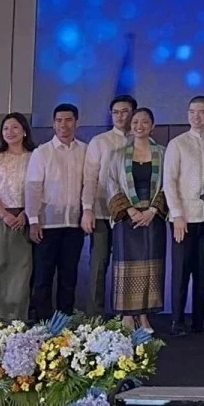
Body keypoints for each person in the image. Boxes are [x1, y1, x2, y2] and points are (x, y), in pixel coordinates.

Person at [164, 95, 204, 336]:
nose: (196, 116)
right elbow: (169, 182)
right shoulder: (177, 144)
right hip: (183, 219)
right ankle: (177, 321)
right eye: (192, 112)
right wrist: (177, 215)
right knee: (181, 271)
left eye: (201, 112)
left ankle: (200, 321)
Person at [105, 107, 167, 332]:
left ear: (153, 125)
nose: (139, 126)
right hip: (128, 219)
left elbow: (169, 184)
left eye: (144, 122)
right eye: (135, 122)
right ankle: (127, 315)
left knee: (151, 265)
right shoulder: (118, 154)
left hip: (152, 217)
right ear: (130, 126)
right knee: (126, 265)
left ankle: (144, 316)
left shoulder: (163, 152)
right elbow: (111, 184)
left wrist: (152, 211)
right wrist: (130, 210)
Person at [25, 103, 88, 318]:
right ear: (53, 124)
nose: (64, 125)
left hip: (74, 224)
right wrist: (33, 219)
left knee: (69, 277)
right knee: (43, 277)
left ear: (77, 123)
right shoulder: (42, 152)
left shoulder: (85, 150)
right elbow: (33, 187)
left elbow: (89, 184)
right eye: (59, 120)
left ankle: (65, 322)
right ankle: (42, 322)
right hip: (46, 225)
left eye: (68, 120)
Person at [0, 112, 36, 320]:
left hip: (26, 217)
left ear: (24, 131)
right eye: (6, 128)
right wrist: (4, 215)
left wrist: (26, 214)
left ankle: (16, 320)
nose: (10, 132)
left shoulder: (34, 156)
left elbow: (39, 189)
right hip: (0, 216)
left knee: (21, 270)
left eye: (15, 127)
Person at [81, 94, 135, 318]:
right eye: (116, 112)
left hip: (131, 214)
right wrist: (87, 209)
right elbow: (90, 178)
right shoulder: (99, 141)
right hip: (103, 211)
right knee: (99, 264)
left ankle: (128, 315)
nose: (120, 116)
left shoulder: (141, 140)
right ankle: (95, 316)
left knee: (129, 266)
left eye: (125, 111)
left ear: (133, 113)